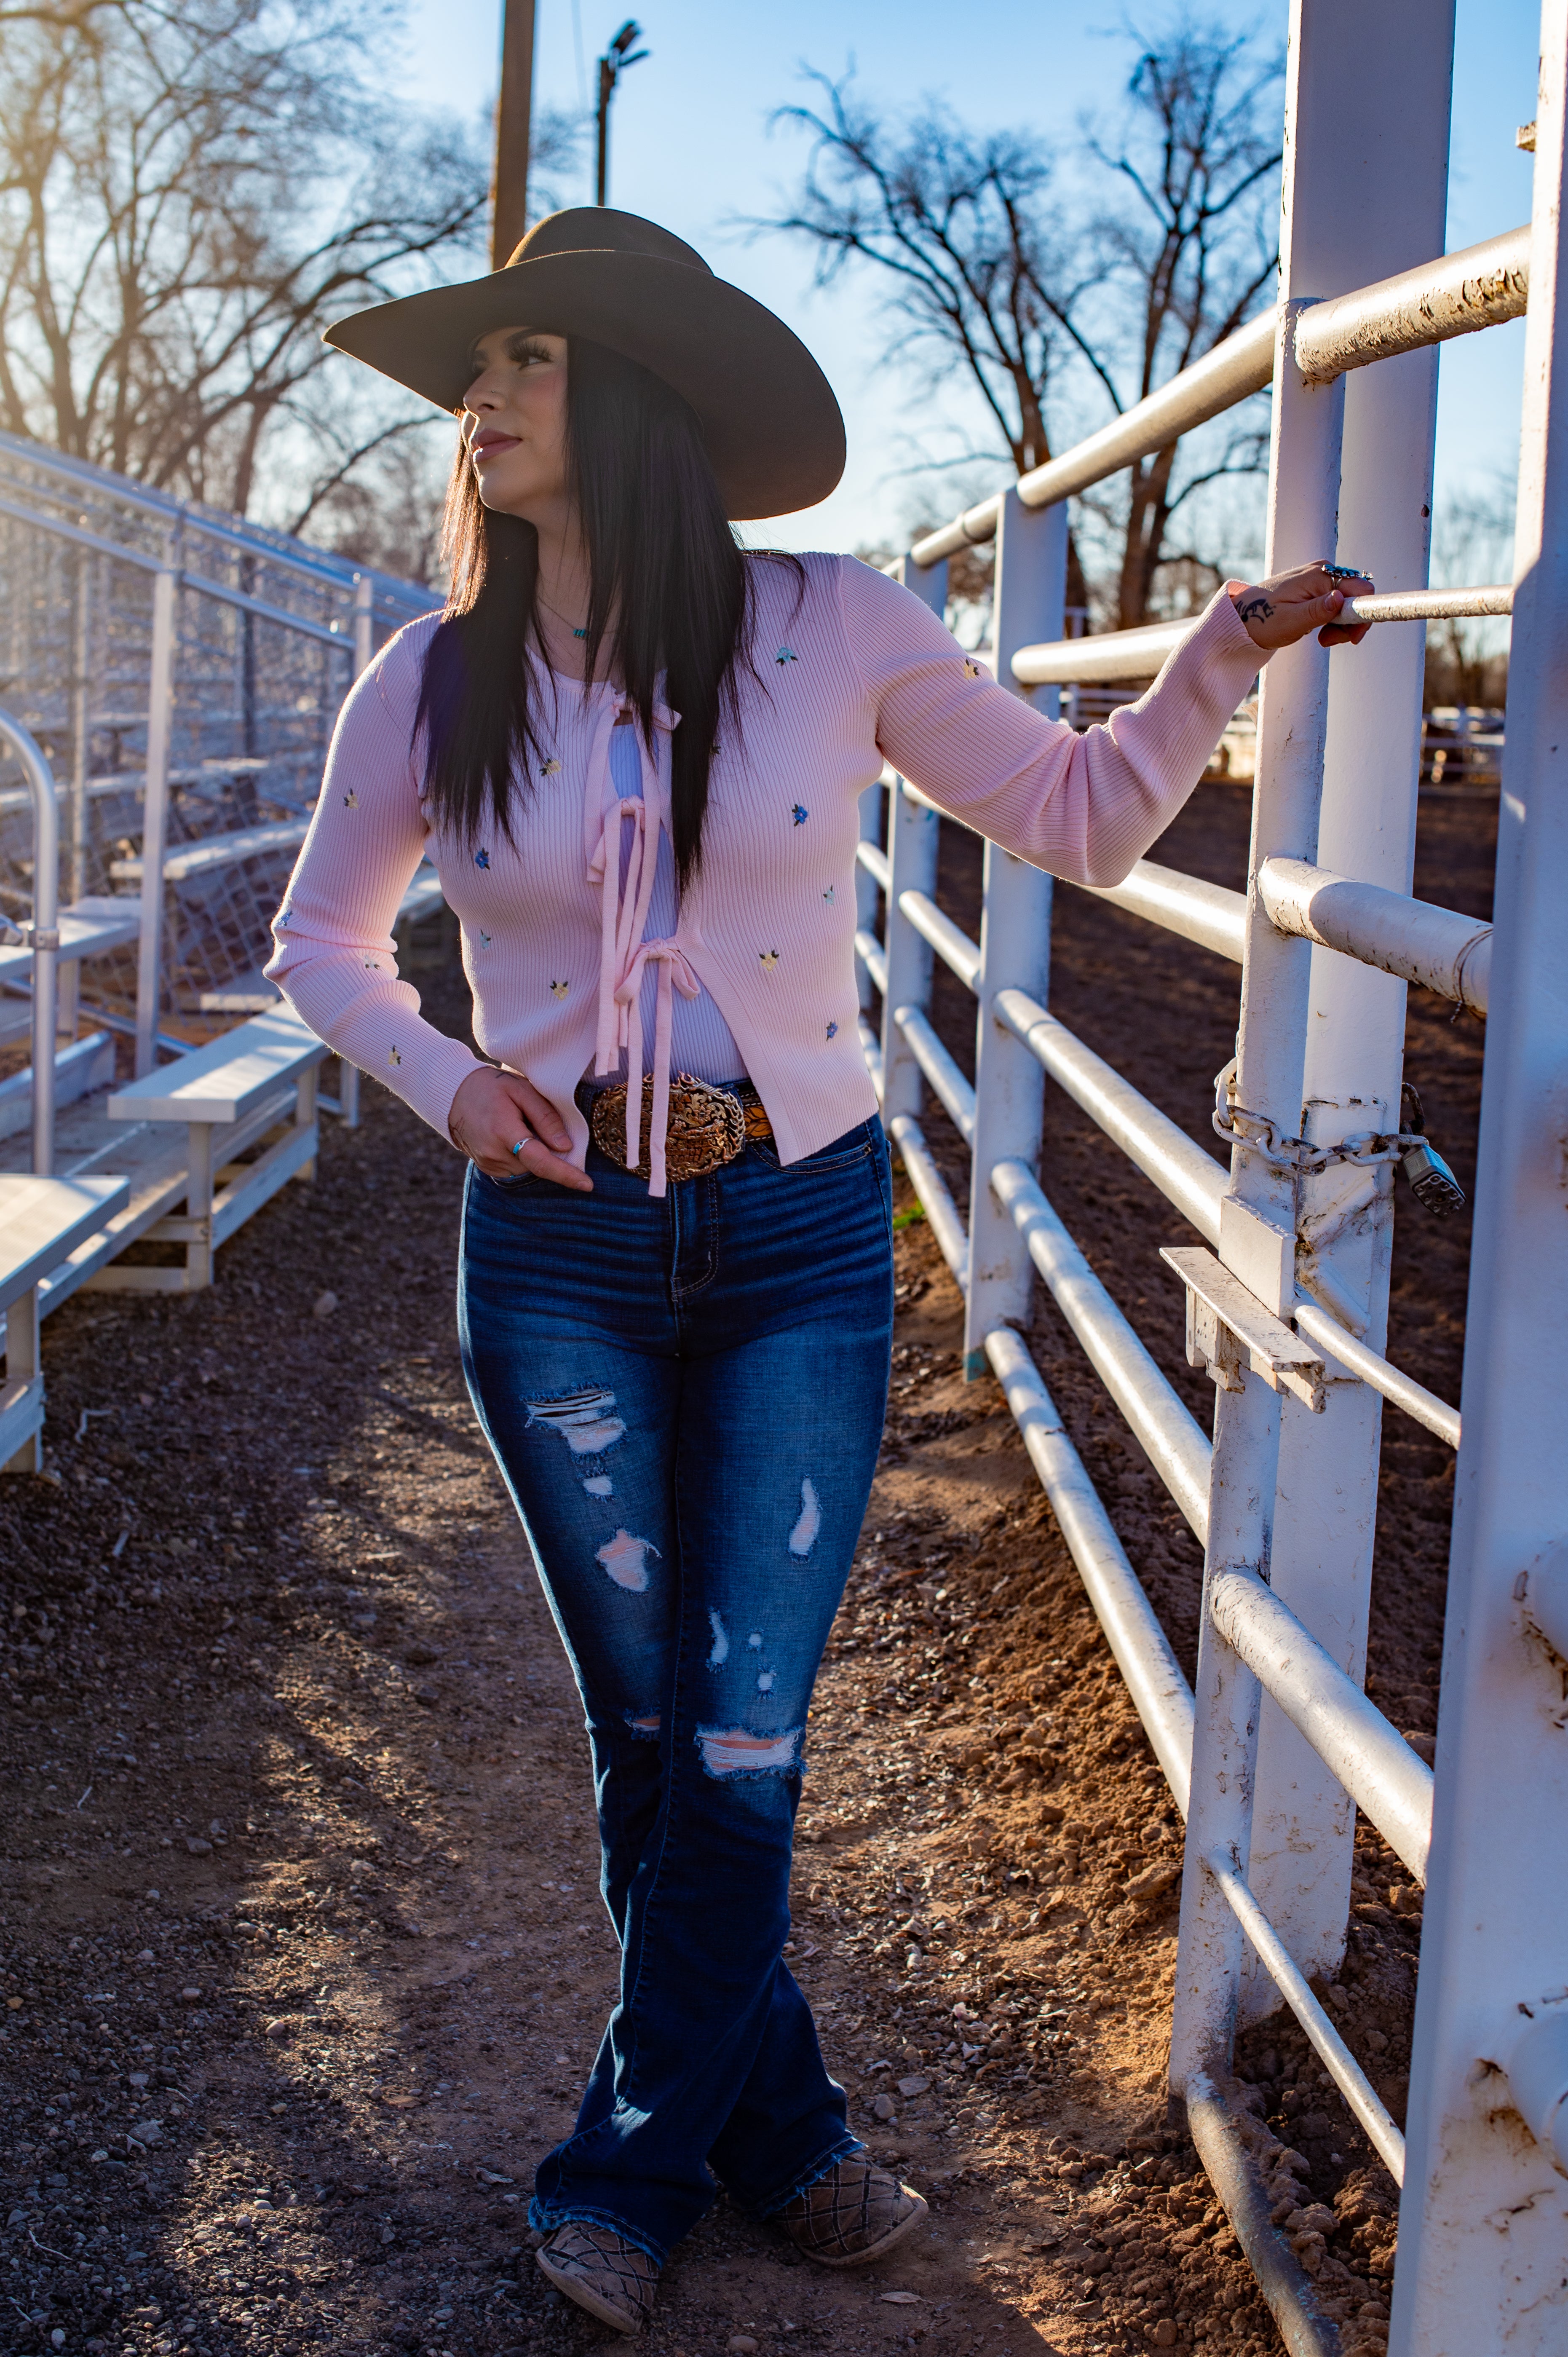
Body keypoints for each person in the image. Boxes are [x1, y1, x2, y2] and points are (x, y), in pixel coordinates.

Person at [268, 206, 1372, 2337]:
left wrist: (1214, 656)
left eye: (524, 361)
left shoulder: (835, 624)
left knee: (743, 1735)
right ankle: (780, 2132)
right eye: (473, 374)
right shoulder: (435, 674)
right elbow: (318, 941)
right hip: (560, 1247)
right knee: (649, 1728)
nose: (476, 405)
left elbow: (1072, 819)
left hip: (794, 1234)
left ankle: (627, 2165)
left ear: (638, 393)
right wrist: (441, 1078)